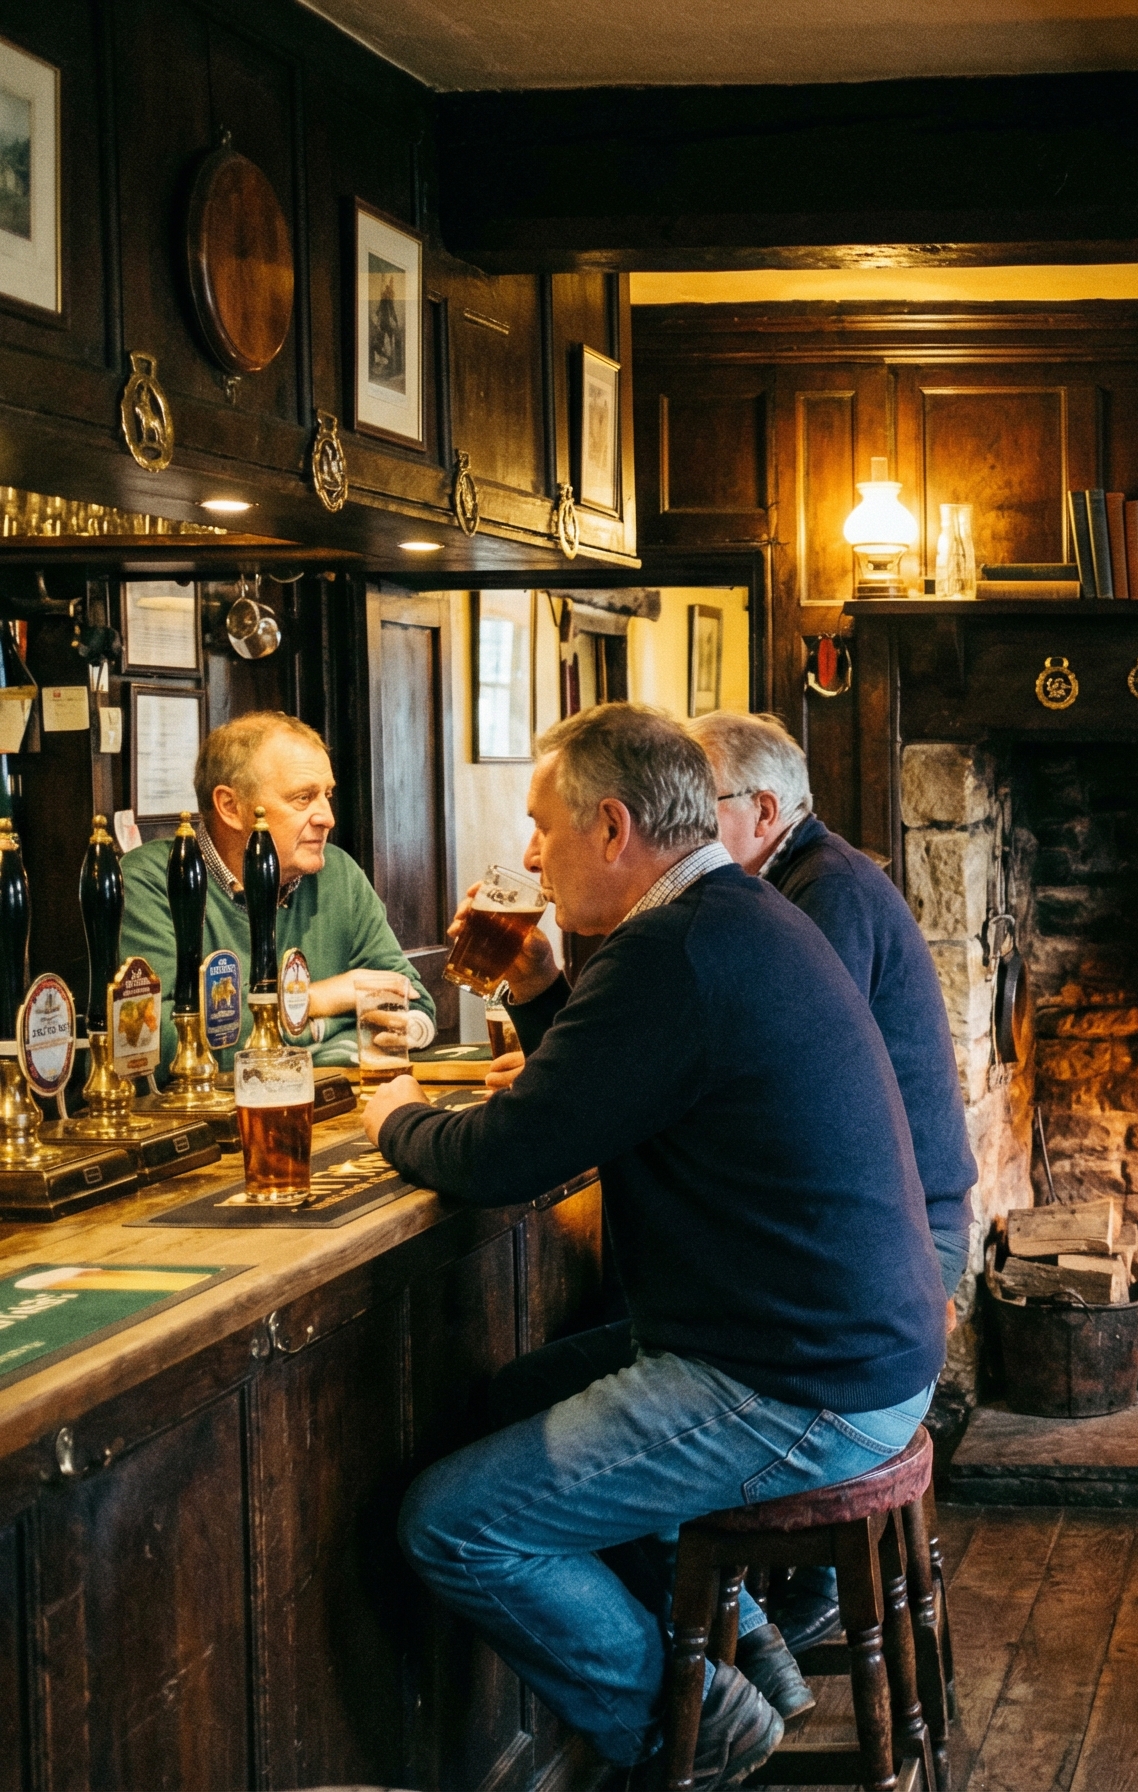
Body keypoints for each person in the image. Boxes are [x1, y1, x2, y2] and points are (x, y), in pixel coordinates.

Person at [366, 704, 946, 1789]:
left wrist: (389, 1113)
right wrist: (542, 990)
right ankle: (750, 1662)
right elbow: (600, 1095)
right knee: (518, 1395)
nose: (528, 855)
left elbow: (504, 1155)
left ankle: (696, 1720)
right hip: (851, 1353)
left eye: (541, 826)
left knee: (451, 1524)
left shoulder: (672, 950)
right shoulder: (731, 917)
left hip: (799, 1383)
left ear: (612, 827)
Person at [692, 710, 976, 1301]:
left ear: (764, 811)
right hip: (879, 1223)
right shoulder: (786, 884)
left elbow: (794, 1078)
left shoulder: (827, 889)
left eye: (698, 804)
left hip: (908, 1235)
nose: (679, 826)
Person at [121, 711, 434, 1070]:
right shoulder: (152, 881)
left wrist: (305, 1034)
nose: (327, 817)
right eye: (303, 798)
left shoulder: (338, 872)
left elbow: (413, 1005)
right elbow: (144, 1041)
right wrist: (311, 1001)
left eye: (327, 795)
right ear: (231, 807)